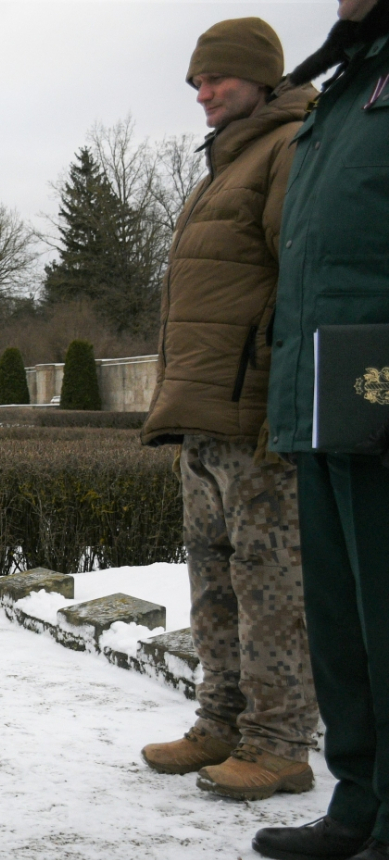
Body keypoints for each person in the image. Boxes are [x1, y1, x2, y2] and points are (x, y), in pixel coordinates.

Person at [138, 17, 320, 802]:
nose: (204, 94)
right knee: (213, 580)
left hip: (257, 420)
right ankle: (221, 721)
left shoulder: (288, 150)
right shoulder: (225, 163)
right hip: (204, 414)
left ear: (261, 78)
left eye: (216, 80)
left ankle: (280, 744)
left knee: (270, 583)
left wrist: (284, 401)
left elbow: (303, 280)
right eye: (196, 84)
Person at [251, 0, 389, 858]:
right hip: (326, 391)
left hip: (378, 385)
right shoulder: (343, 87)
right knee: (343, 626)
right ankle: (361, 804)